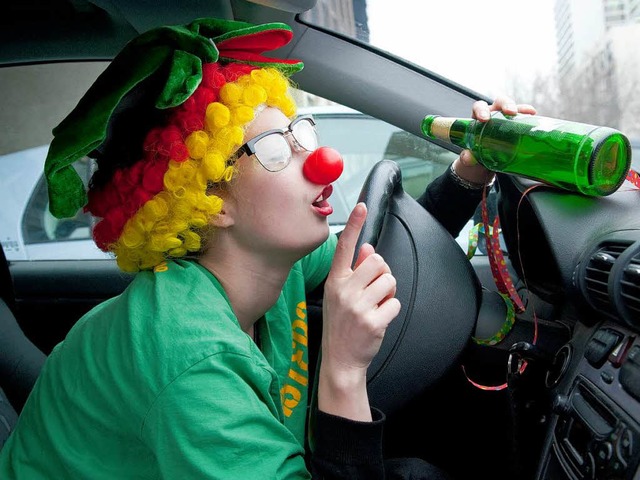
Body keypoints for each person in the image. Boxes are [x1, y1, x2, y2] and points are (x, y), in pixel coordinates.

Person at [0, 18, 536, 479]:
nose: (320, 159)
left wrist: (469, 173)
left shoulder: (270, 265)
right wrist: (343, 370)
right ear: (210, 201)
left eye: (301, 131)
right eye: (278, 149)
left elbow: (394, 254)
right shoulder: (190, 357)